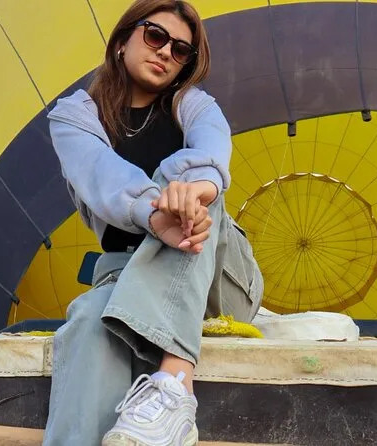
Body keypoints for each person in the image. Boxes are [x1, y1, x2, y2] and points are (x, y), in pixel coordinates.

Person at [43, 1, 263, 445]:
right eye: (155, 35)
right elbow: (102, 175)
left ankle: (175, 384)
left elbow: (212, 150)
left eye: (181, 50)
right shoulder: (75, 117)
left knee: (190, 184)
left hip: (219, 281)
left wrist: (196, 190)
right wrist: (155, 214)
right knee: (88, 321)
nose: (165, 52)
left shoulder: (195, 106)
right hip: (124, 277)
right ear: (122, 41)